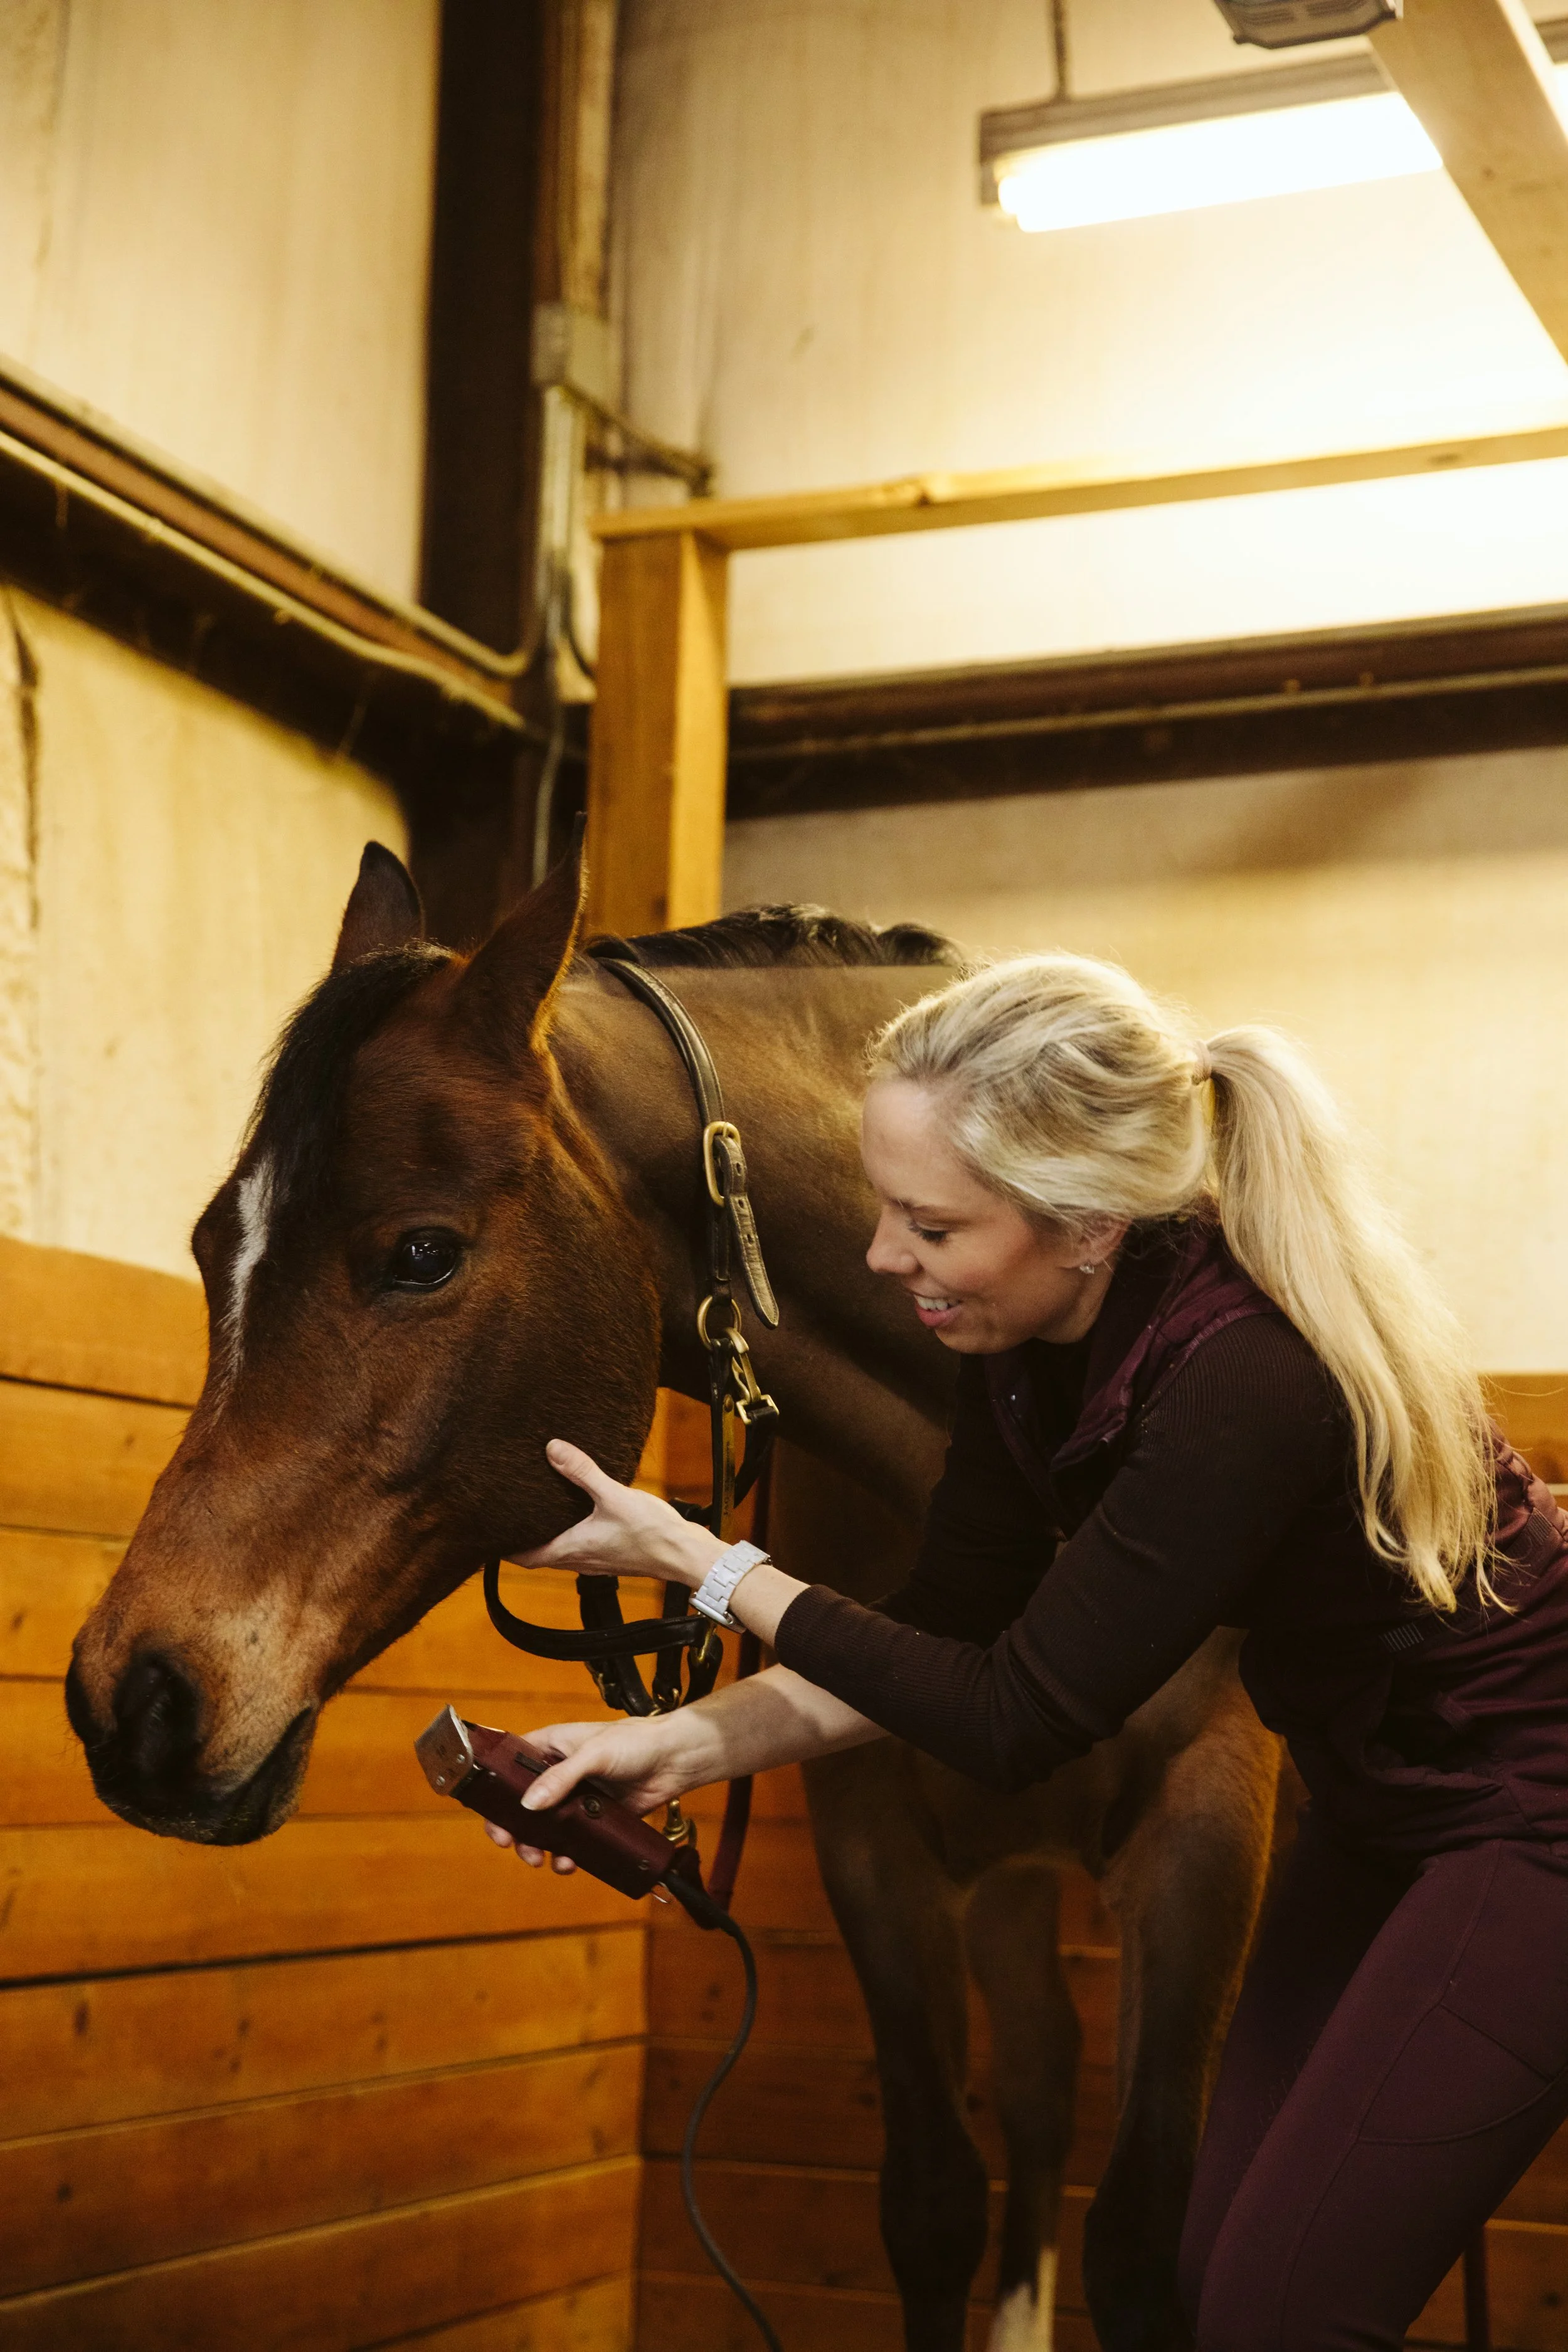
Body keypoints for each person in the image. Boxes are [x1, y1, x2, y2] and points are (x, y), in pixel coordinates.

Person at [484, 948, 1568, 2350]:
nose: (883, 1259)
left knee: (1283, 2310)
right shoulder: (1024, 1349)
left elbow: (1011, 1719)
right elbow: (936, 1634)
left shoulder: (1242, 1369)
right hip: (1382, 1807)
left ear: (1089, 1222)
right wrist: (671, 1748)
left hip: (1533, 1816)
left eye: (931, 1227)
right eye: (886, 1210)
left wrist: (709, 1565)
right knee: (1198, 2278)